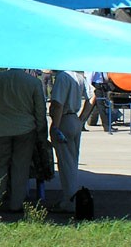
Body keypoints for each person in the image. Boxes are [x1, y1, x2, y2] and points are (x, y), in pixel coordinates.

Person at [0, 68, 48, 213]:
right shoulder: (34, 82)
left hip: (2, 130)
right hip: (26, 130)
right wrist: (42, 134)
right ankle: (17, 204)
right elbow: (40, 111)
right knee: (20, 167)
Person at [49, 70, 88, 213]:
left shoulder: (62, 77)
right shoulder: (79, 76)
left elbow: (58, 104)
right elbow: (92, 97)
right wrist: (82, 119)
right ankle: (70, 197)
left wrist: (55, 126)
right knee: (73, 161)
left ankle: (70, 200)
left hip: (64, 120)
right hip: (75, 119)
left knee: (65, 163)